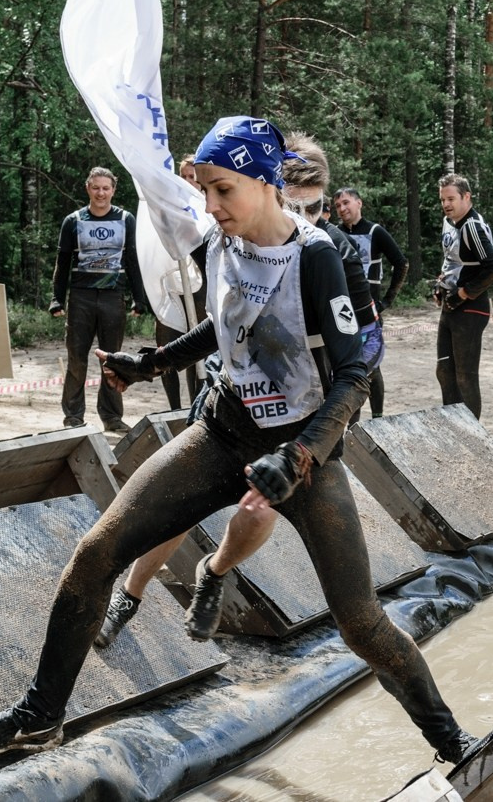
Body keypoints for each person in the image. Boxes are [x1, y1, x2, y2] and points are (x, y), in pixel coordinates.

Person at [0, 117, 477, 765]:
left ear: (264, 180)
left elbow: (355, 373)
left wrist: (301, 454)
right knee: (96, 550)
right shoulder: (221, 242)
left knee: (360, 621)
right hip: (221, 435)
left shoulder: (316, 258)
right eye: (204, 190)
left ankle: (453, 741)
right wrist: (153, 362)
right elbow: (225, 328)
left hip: (301, 456)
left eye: (223, 190)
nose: (211, 206)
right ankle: (39, 715)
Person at [94, 132, 382, 648]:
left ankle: (216, 571)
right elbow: (219, 321)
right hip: (228, 398)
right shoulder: (242, 239)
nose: (306, 215)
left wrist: (342, 398)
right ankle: (131, 592)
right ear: (273, 190)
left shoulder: (330, 252)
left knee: (257, 508)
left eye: (315, 206)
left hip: (300, 416)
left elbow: (368, 339)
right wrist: (152, 362)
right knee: (179, 502)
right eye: (296, 203)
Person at [50, 166, 148, 432]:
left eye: (106, 188)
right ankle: (73, 417)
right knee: (77, 358)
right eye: (96, 188)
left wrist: (139, 299)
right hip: (80, 297)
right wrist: (56, 299)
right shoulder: (74, 220)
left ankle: (112, 417)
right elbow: (62, 261)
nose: (101, 193)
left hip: (112, 298)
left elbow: (133, 260)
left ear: (113, 190)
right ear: (87, 188)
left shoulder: (126, 219)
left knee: (113, 360)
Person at [334, 188, 409, 418]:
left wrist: (387, 300)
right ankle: (352, 422)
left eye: (346, 203)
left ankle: (377, 419)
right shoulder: (334, 233)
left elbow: (401, 263)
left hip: (370, 311)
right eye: (338, 205)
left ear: (359, 203)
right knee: (348, 367)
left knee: (372, 367)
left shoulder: (375, 231)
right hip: (344, 312)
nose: (342, 208)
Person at [434, 173, 493, 419]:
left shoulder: (472, 226)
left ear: (466, 197)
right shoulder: (449, 222)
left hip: (472, 308)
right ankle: (453, 426)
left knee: (465, 375)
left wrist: (463, 293)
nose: (446, 204)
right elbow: (452, 259)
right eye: (442, 200)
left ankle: (473, 435)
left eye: (451, 199)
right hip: (451, 306)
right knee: (443, 370)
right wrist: (441, 285)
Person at [152, 155, 209, 411]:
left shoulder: (209, 209)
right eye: (184, 177)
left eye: (193, 177)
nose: (188, 182)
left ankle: (196, 409)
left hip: (201, 291)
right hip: (173, 288)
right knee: (165, 347)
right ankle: (173, 409)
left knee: (196, 351)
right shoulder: (167, 210)